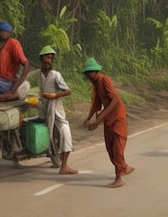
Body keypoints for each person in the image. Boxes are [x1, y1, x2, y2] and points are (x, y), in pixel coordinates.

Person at [83, 57, 134, 187]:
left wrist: (98, 120)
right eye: (87, 73)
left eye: (90, 72)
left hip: (117, 117)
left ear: (96, 71)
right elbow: (97, 104)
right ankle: (124, 168)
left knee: (117, 147)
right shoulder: (96, 85)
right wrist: (89, 118)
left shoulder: (105, 80)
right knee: (110, 147)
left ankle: (118, 178)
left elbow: (115, 101)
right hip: (108, 118)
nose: (88, 75)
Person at [37, 46, 77, 174]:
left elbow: (68, 91)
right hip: (45, 108)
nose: (48, 60)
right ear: (41, 58)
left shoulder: (56, 75)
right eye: (46, 57)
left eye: (51, 58)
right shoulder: (39, 74)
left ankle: (64, 165)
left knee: (65, 132)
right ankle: (51, 154)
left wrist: (54, 95)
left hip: (56, 109)